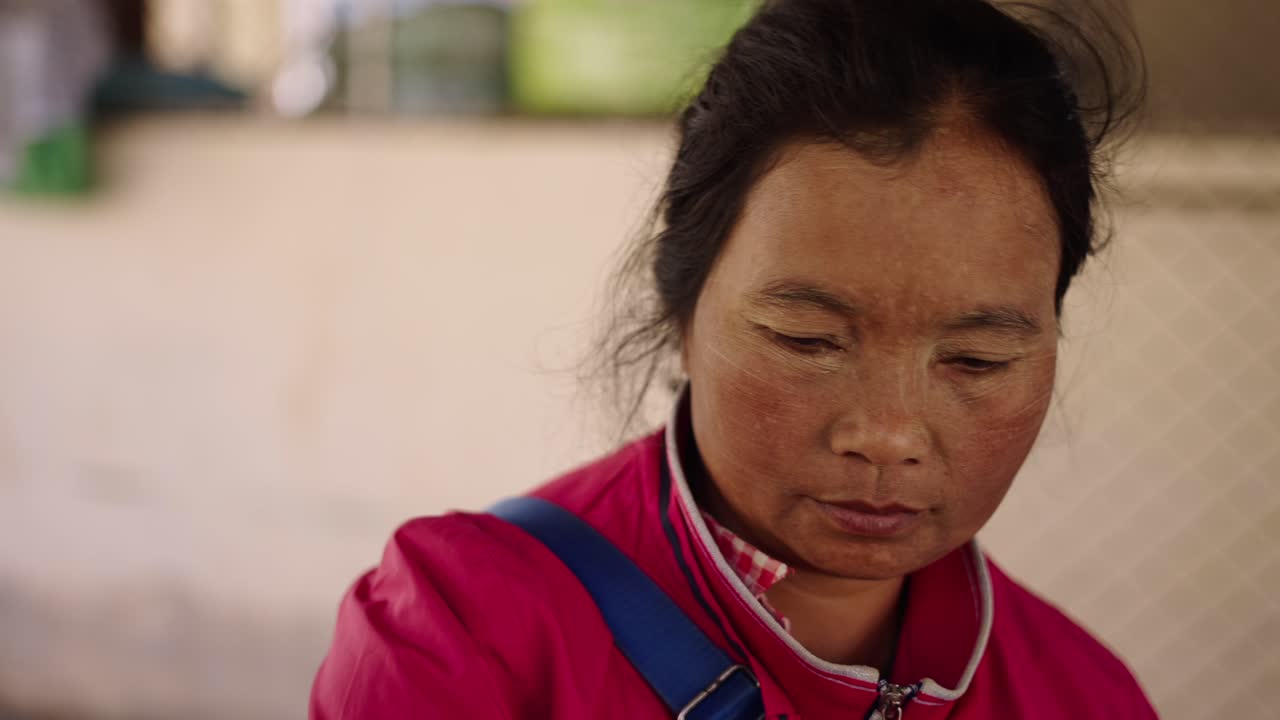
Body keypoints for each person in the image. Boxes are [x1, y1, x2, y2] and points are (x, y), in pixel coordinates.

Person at [311, 0, 1154, 717]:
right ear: (682, 307)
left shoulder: (1084, 695)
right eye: (808, 341)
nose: (888, 435)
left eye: (977, 359)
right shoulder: (458, 637)